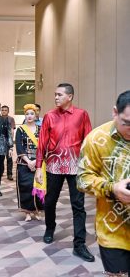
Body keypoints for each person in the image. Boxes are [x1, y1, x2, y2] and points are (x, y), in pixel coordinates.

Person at [35, 83, 94, 262]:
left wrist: (89, 166)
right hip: (53, 166)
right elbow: (42, 142)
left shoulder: (81, 115)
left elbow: (88, 140)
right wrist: (38, 167)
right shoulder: (49, 116)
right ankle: (50, 228)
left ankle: (79, 245)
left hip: (76, 167)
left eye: (59, 95)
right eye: (55, 95)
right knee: (50, 201)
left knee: (78, 205)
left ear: (70, 96)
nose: (56, 98)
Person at [77, 90, 130, 275]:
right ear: (115, 112)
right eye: (127, 124)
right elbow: (82, 179)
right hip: (113, 231)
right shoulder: (96, 140)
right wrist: (111, 188)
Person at [15, 104, 43, 221]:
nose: (29, 116)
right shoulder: (20, 129)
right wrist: (28, 161)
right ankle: (27, 212)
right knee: (25, 187)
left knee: (37, 187)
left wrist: (36, 161)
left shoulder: (40, 129)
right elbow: (19, 146)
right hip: (24, 163)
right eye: (27, 114)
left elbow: (42, 146)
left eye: (32, 113)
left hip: (38, 163)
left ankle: (36, 210)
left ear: (36, 115)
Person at [1, 105, 15, 181]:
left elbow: (12, 131)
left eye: (5, 110)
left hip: (8, 141)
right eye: (2, 110)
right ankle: (1, 172)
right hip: (0, 142)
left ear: (8, 111)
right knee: (1, 158)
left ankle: (9, 174)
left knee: (9, 158)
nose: (4, 111)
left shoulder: (11, 119)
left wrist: (11, 142)